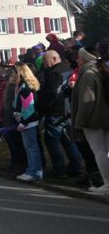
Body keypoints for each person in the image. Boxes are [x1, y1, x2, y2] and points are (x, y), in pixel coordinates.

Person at [39, 50, 84, 178]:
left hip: (55, 112)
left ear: (54, 58)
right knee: (70, 141)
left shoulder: (52, 73)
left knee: (53, 142)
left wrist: (41, 109)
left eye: (45, 60)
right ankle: (76, 167)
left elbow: (50, 94)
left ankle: (59, 169)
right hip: (69, 110)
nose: (43, 62)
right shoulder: (69, 69)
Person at [73, 42, 109, 194]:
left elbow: (87, 100)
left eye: (79, 57)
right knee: (105, 151)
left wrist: (80, 121)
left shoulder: (88, 74)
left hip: (93, 119)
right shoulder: (100, 70)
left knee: (99, 151)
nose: (77, 60)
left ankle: (107, 184)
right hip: (104, 116)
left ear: (84, 59)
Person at [13, 63, 43, 182]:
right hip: (24, 121)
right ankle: (31, 170)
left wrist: (23, 122)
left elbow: (29, 108)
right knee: (29, 147)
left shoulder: (26, 88)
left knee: (32, 148)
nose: (13, 75)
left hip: (28, 122)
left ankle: (35, 172)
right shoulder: (21, 86)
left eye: (15, 72)